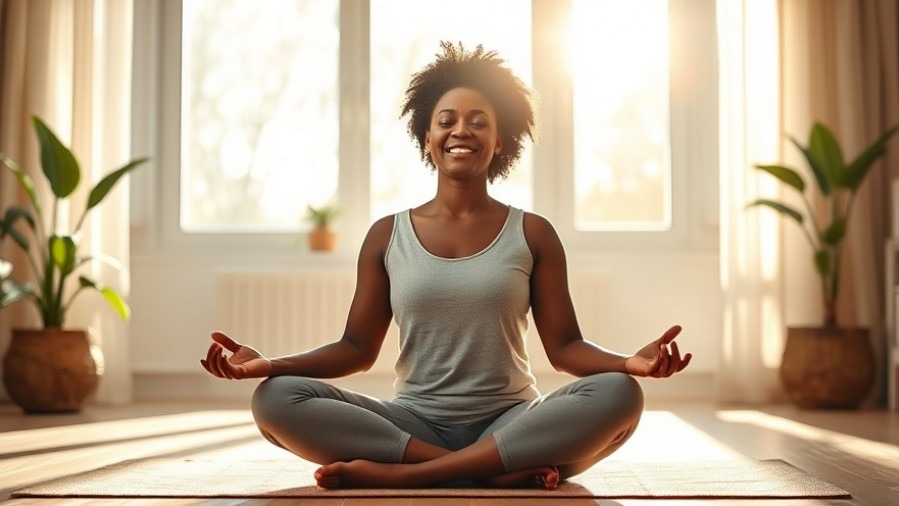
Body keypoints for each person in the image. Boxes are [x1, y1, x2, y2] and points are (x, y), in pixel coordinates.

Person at [200, 41, 691, 490]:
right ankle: (484, 471)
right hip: (411, 425)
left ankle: (406, 476)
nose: (462, 130)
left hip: (513, 424)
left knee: (620, 395)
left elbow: (565, 348)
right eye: (447, 119)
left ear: (499, 141)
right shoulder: (386, 235)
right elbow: (355, 348)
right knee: (274, 400)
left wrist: (630, 363)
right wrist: (270, 366)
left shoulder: (533, 232)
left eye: (479, 121)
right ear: (428, 136)